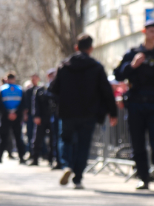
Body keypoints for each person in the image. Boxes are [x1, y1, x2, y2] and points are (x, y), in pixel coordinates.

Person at [49, 34, 118, 189]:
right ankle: (78, 177)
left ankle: (67, 164)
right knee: (83, 144)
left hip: (67, 112)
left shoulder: (64, 66)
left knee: (66, 139)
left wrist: (57, 106)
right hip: (89, 113)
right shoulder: (96, 67)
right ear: (91, 48)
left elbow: (54, 89)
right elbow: (106, 91)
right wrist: (113, 112)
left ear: (76, 47)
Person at [112, 20, 154, 192]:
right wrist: (132, 66)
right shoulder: (133, 53)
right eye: (150, 31)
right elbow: (118, 74)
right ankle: (143, 178)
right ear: (144, 32)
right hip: (135, 103)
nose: (153, 34)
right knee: (138, 143)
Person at [0, 72, 27, 164]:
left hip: (6, 117)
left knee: (4, 137)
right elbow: (23, 104)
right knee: (16, 137)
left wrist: (8, 113)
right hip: (15, 117)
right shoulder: (20, 89)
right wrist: (15, 113)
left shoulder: (2, 90)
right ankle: (21, 158)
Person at [30, 69, 57, 166]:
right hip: (41, 118)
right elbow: (35, 104)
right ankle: (35, 159)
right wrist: (36, 116)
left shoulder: (57, 88)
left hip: (53, 117)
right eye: (50, 75)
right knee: (37, 139)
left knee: (53, 140)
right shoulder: (41, 89)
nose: (51, 77)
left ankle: (51, 160)